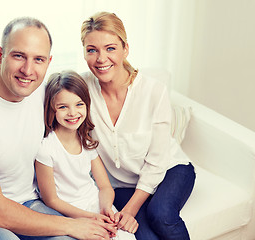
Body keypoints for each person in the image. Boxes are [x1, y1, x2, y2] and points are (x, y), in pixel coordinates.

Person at [0, 17, 115, 240]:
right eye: (18, 56)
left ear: (49, 62)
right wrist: (72, 225)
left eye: (39, 59)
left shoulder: (42, 95)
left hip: (30, 202)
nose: (28, 70)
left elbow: (78, 106)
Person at [80, 12, 196, 240]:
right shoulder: (81, 89)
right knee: (142, 236)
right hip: (121, 184)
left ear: (125, 49)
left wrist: (131, 209)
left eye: (110, 48)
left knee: (160, 215)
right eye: (92, 50)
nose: (101, 58)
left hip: (170, 169)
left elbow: (157, 160)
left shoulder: (153, 91)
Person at [35, 70, 137, 240]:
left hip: (96, 204)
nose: (72, 113)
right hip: (69, 213)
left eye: (79, 104)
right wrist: (91, 218)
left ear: (87, 105)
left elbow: (104, 186)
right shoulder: (46, 148)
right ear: (52, 110)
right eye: (63, 107)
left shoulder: (86, 141)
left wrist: (106, 209)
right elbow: (51, 200)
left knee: (125, 237)